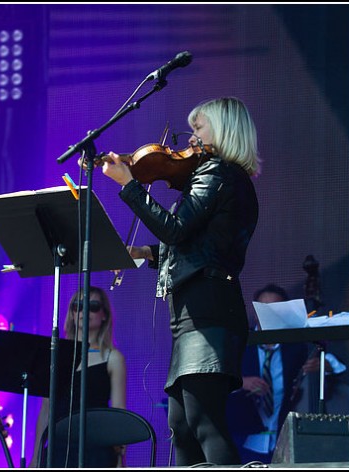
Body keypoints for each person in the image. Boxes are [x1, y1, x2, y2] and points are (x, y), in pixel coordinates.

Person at [99, 97, 260, 466]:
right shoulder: (223, 177)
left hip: (209, 310)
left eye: (198, 128)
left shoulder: (218, 173)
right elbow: (198, 247)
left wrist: (129, 185)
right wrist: (144, 252)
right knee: (183, 424)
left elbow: (174, 229)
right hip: (197, 309)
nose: (189, 139)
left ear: (223, 131)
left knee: (203, 421)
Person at [227, 284, 347, 465]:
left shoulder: (294, 346)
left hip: (282, 442)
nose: (267, 315)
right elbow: (217, 376)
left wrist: (327, 365)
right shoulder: (241, 343)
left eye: (274, 309)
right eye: (263, 309)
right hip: (242, 440)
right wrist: (241, 382)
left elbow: (332, 359)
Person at [31, 286, 127, 468]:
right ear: (72, 314)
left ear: (104, 314)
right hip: (59, 446)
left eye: (93, 306)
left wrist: (121, 460)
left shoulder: (112, 357)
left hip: (97, 447)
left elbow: (118, 412)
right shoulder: (56, 356)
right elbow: (46, 411)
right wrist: (36, 457)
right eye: (78, 306)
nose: (84, 311)